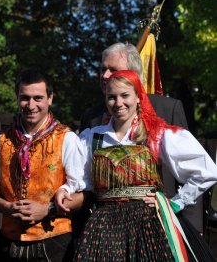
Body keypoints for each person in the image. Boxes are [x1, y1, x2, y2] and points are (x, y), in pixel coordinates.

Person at [57, 70, 217, 261]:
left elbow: (206, 171)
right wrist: (66, 188)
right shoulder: (93, 137)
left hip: (148, 226)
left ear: (138, 97)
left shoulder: (158, 134)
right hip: (104, 228)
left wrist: (175, 202)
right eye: (112, 97)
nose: (118, 103)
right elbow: (82, 179)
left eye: (125, 96)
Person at [79, 42, 205, 233]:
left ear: (134, 77)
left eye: (113, 70)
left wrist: (191, 229)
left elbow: (192, 173)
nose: (105, 75)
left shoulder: (168, 110)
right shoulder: (91, 118)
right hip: (106, 230)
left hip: (160, 226)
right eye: (103, 69)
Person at [0, 69, 85, 261]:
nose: (31, 105)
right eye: (25, 98)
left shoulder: (67, 138)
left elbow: (83, 195)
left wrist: (47, 209)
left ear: (50, 99)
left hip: (55, 240)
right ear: (17, 98)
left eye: (38, 98)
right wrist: (8, 207)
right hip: (9, 241)